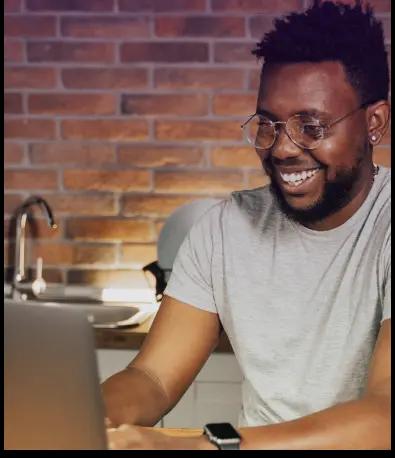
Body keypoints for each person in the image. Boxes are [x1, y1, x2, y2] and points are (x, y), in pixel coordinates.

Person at [103, 0, 391, 450]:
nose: (282, 149)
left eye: (310, 127)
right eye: (269, 125)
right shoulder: (224, 229)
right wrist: (91, 420)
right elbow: (152, 377)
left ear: (374, 122)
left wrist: (206, 446)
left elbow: (384, 417)